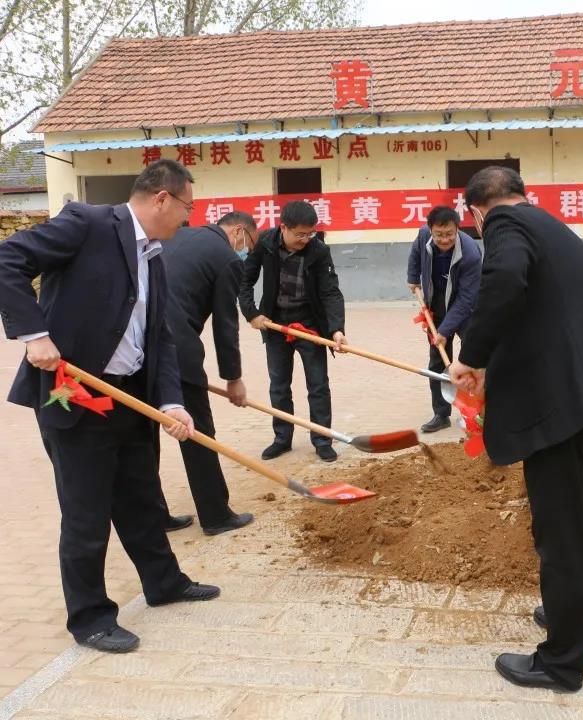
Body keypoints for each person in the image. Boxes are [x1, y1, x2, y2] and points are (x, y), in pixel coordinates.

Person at [0, 159, 221, 653]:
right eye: (187, 206)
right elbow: (7, 259)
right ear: (162, 198)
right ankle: (91, 618)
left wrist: (170, 401)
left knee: (141, 496)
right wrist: (33, 332)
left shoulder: (154, 256)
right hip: (72, 394)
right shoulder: (89, 224)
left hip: (128, 397)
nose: (189, 217)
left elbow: (159, 336)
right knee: (87, 512)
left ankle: (164, 583)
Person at [449, 166, 583, 693]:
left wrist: (474, 356)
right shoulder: (558, 230)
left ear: (479, 213)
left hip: (562, 413)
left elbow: (507, 279)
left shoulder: (507, 227)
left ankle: (560, 662)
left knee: (560, 535)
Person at [157, 211, 257, 535]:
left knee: (141, 438)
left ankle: (152, 516)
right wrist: (233, 378)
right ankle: (216, 515)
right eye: (249, 245)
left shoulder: (179, 235)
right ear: (240, 231)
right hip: (176, 349)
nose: (245, 251)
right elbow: (225, 325)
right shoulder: (227, 258)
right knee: (197, 432)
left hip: (137, 346)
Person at [239, 201, 347, 463]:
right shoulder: (265, 243)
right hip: (275, 324)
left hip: (309, 324)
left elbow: (330, 290)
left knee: (318, 385)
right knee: (279, 385)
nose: (305, 239)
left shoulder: (318, 251)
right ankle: (282, 438)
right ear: (283, 227)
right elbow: (245, 279)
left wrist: (336, 329)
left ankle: (322, 438)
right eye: (299, 234)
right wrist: (252, 313)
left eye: (310, 233)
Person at [406, 205, 482, 433]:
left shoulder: (470, 252)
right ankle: (441, 414)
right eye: (439, 234)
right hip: (436, 303)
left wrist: (445, 330)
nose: (444, 239)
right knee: (437, 361)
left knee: (474, 357)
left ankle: (479, 410)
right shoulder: (423, 235)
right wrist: (413, 278)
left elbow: (467, 298)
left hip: (467, 307)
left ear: (457, 229)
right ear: (431, 229)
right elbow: (415, 255)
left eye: (449, 234)